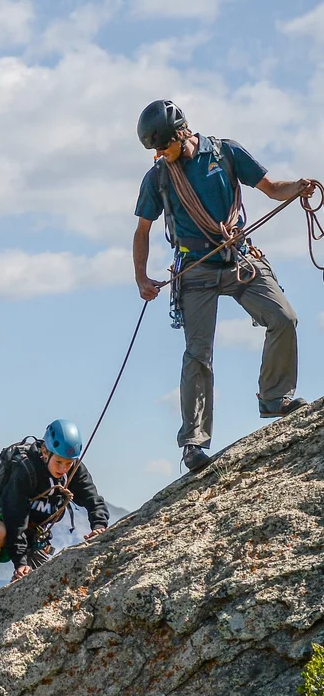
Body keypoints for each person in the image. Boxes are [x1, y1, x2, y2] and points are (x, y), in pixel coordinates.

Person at [133, 100, 313, 472]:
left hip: (239, 258)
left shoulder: (225, 152)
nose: (159, 154)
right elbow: (142, 230)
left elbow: (270, 187)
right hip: (195, 272)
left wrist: (296, 188)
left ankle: (275, 398)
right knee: (198, 355)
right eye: (154, 149)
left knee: (284, 319)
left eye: (162, 146)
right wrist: (141, 278)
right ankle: (194, 443)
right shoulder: (159, 177)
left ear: (182, 133)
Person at [0, 419, 109, 621]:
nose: (63, 469)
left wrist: (99, 525)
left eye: (68, 463)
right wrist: (20, 563)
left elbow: (93, 499)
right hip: (10, 522)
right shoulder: (26, 469)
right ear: (45, 452)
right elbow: (16, 518)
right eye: (58, 462)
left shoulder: (74, 470)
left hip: (38, 534)